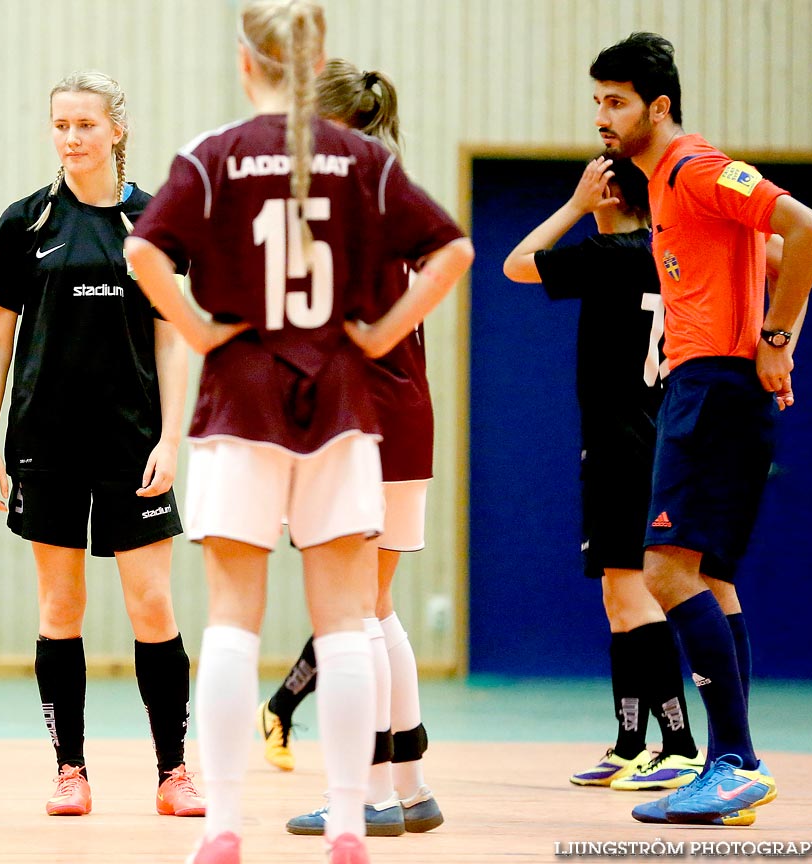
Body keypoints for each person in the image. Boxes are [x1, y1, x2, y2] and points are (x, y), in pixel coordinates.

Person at [126, 2, 474, 860]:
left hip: (242, 403)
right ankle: (353, 820)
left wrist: (203, 328)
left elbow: (143, 254)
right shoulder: (363, 160)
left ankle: (224, 824)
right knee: (349, 619)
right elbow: (454, 252)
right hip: (344, 406)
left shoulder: (210, 155)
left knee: (232, 622)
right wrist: (381, 336)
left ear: (247, 65)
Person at [588, 32, 812, 826]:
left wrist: (775, 340)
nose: (603, 117)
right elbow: (760, 249)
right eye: (597, 102)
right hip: (717, 385)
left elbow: (806, 228)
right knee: (710, 578)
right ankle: (733, 764)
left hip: (712, 388)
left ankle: (733, 760)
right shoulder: (664, 188)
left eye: (616, 102)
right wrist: (762, 334)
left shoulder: (694, 166)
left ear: (658, 106)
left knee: (662, 572)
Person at [0, 71, 203, 818]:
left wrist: (173, 436)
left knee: (152, 604)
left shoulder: (154, 222)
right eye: (60, 125)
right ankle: (69, 769)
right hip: (45, 443)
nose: (71, 138)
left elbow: (174, 339)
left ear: (116, 131)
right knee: (60, 604)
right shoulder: (26, 223)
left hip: (134, 444)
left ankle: (174, 772)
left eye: (85, 125)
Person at [258, 58, 445, 839]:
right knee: (378, 606)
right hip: (408, 417)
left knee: (350, 616)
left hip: (354, 422)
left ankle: (363, 798)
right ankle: (411, 786)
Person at [502, 154, 706, 792]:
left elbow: (516, 264)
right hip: (653, 439)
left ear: (610, 191)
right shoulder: (667, 255)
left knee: (630, 594)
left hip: (622, 446)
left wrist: (572, 205)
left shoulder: (611, 250)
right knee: (618, 598)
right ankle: (629, 742)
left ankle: (678, 744)